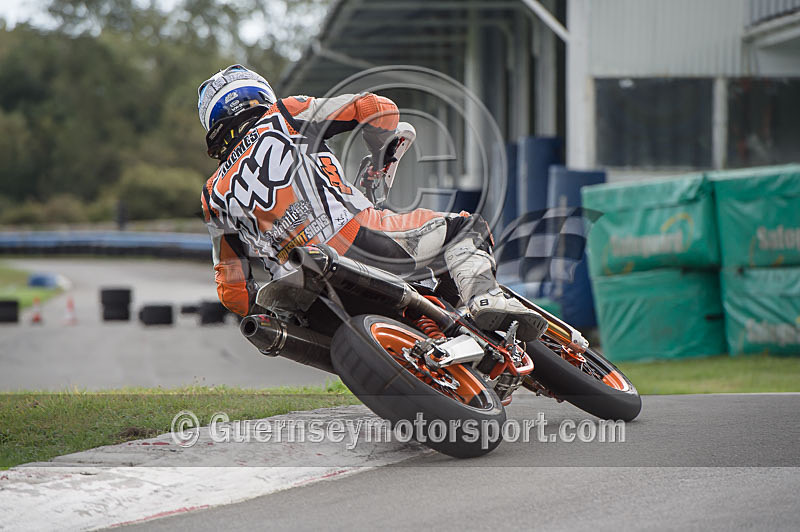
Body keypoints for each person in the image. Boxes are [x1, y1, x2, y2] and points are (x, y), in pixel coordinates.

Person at [197, 64, 546, 340]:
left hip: (299, 293)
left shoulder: (212, 194)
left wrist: (265, 315)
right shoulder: (286, 115)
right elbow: (377, 108)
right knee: (464, 227)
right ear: (260, 95)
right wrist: (379, 162)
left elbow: (232, 290)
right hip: (356, 238)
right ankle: (485, 299)